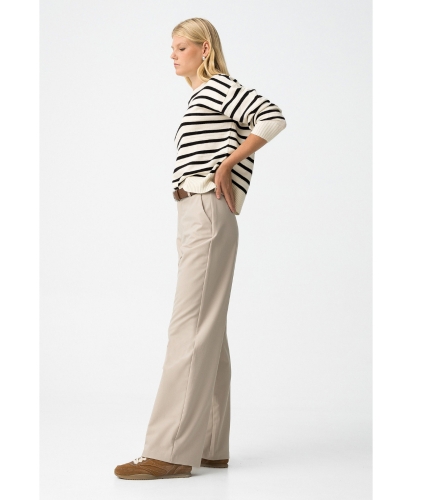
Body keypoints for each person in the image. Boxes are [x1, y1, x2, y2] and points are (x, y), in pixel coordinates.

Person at [114, 17, 286, 480]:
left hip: (207, 207)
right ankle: (210, 445)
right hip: (194, 212)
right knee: (207, 327)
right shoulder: (199, 97)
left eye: (180, 47)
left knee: (189, 325)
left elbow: (272, 116)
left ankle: (170, 451)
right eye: (171, 48)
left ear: (204, 48)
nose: (172, 55)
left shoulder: (218, 87)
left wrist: (228, 164)